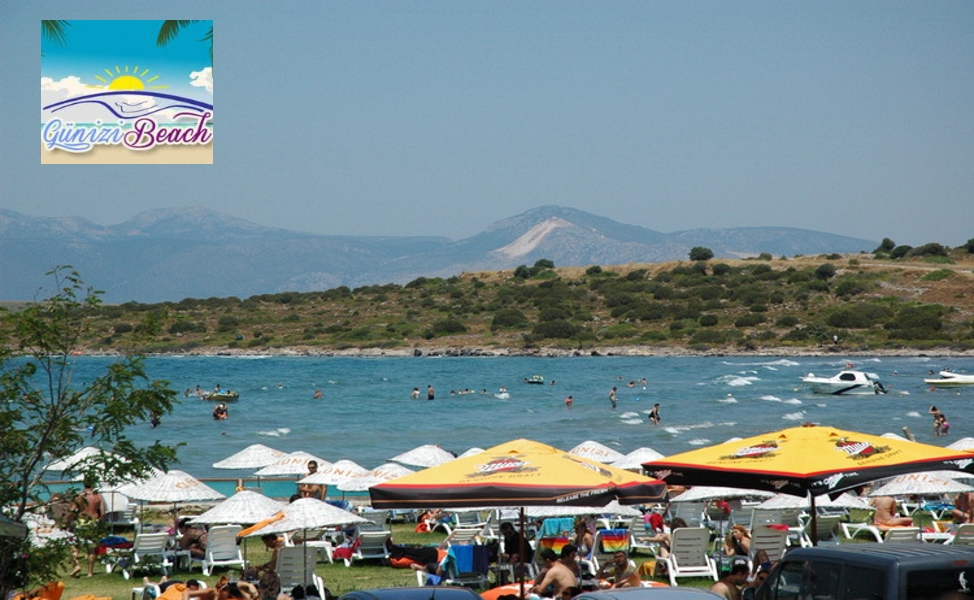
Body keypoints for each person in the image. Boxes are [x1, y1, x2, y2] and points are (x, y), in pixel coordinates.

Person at [70, 477, 105, 577]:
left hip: (82, 521)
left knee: (75, 546)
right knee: (92, 548)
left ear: (84, 485)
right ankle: (90, 572)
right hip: (93, 522)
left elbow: (72, 510)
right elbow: (103, 513)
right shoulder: (98, 496)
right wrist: (102, 526)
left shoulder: (79, 496)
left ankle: (77, 566)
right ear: (93, 485)